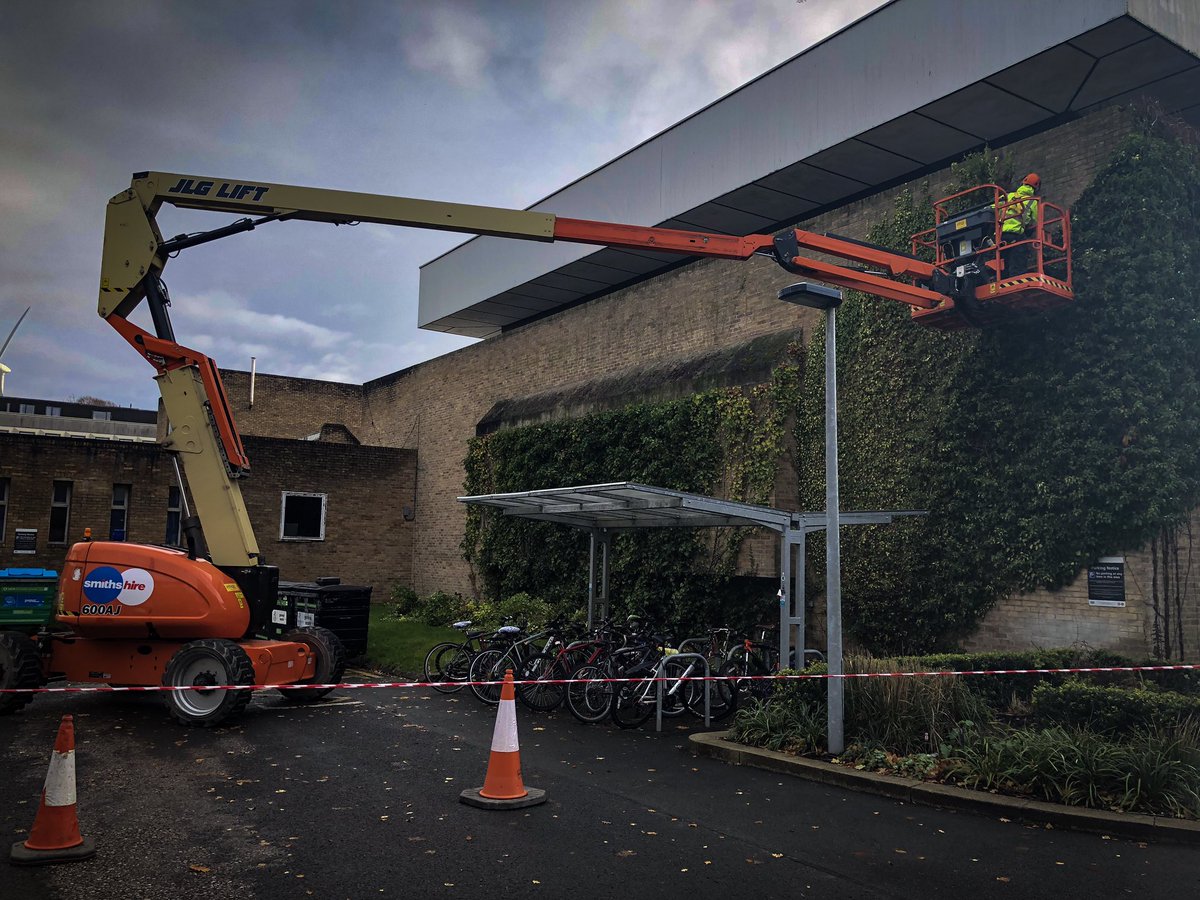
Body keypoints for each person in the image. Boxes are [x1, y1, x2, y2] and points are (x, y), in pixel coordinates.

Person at [998, 173, 1040, 276]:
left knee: (1003, 260)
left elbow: (992, 208)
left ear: (1023, 183)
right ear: (1036, 188)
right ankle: (1017, 277)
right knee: (1019, 258)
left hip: (1000, 235)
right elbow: (1036, 220)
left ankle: (1003, 278)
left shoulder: (1008, 195)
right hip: (1016, 234)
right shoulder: (1033, 202)